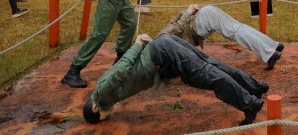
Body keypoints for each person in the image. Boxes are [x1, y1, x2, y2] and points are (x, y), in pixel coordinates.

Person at [82, 34, 266, 126]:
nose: (108, 116)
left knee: (208, 75)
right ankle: (254, 87)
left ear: (95, 108)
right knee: (211, 65)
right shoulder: (105, 94)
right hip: (163, 47)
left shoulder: (101, 94)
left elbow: (120, 70)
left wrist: (137, 44)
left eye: (102, 117)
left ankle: (250, 104)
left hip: (163, 53)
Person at [162, 5, 284, 70]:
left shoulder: (159, 41)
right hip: (204, 18)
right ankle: (274, 45)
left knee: (236, 31)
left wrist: (188, 12)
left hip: (203, 21)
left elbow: (174, 28)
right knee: (238, 28)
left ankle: (270, 54)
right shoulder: (164, 48)